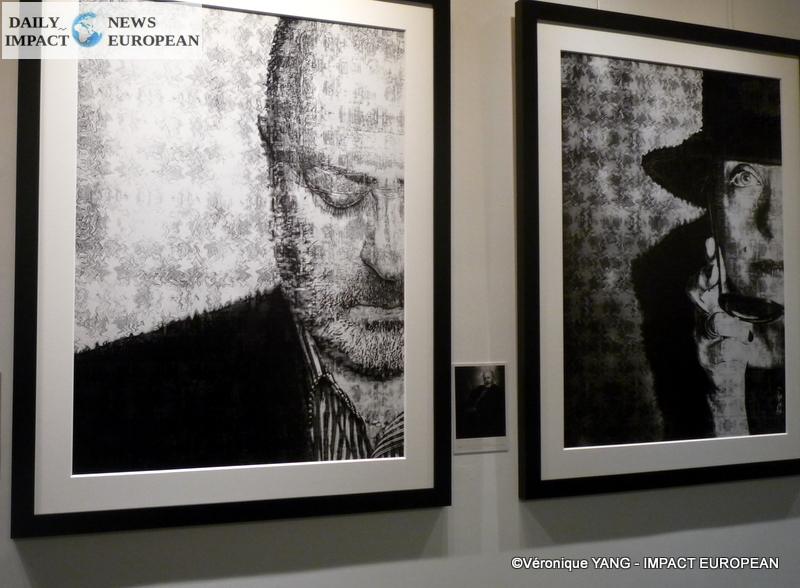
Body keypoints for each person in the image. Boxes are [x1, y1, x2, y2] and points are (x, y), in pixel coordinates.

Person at [72, 17, 405, 474]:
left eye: (423, 194)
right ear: (273, 165)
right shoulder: (111, 406)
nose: (390, 258)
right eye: (339, 190)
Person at [637, 69, 785, 438]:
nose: (772, 223)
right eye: (745, 179)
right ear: (712, 201)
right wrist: (726, 399)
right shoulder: (666, 293)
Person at [456, 369, 506, 439]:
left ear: (493, 378)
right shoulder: (479, 388)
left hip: (488, 424)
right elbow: (469, 401)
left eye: (488, 378)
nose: (487, 380)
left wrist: (476, 409)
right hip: (473, 421)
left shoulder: (498, 391)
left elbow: (493, 408)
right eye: (485, 378)